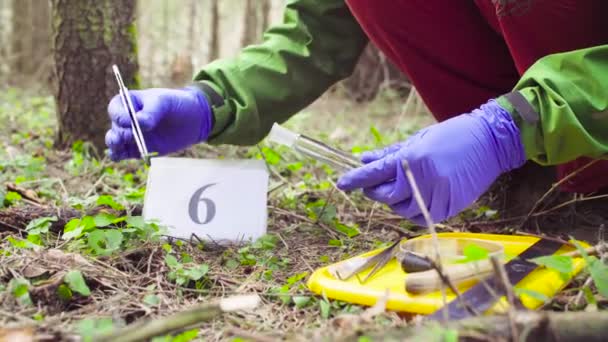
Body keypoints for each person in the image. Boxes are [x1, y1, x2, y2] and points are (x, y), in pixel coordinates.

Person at [105, 1, 608, 226]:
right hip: (523, 148)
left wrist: (510, 128)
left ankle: (577, 170)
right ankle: (529, 180)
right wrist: (212, 102)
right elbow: (318, 30)